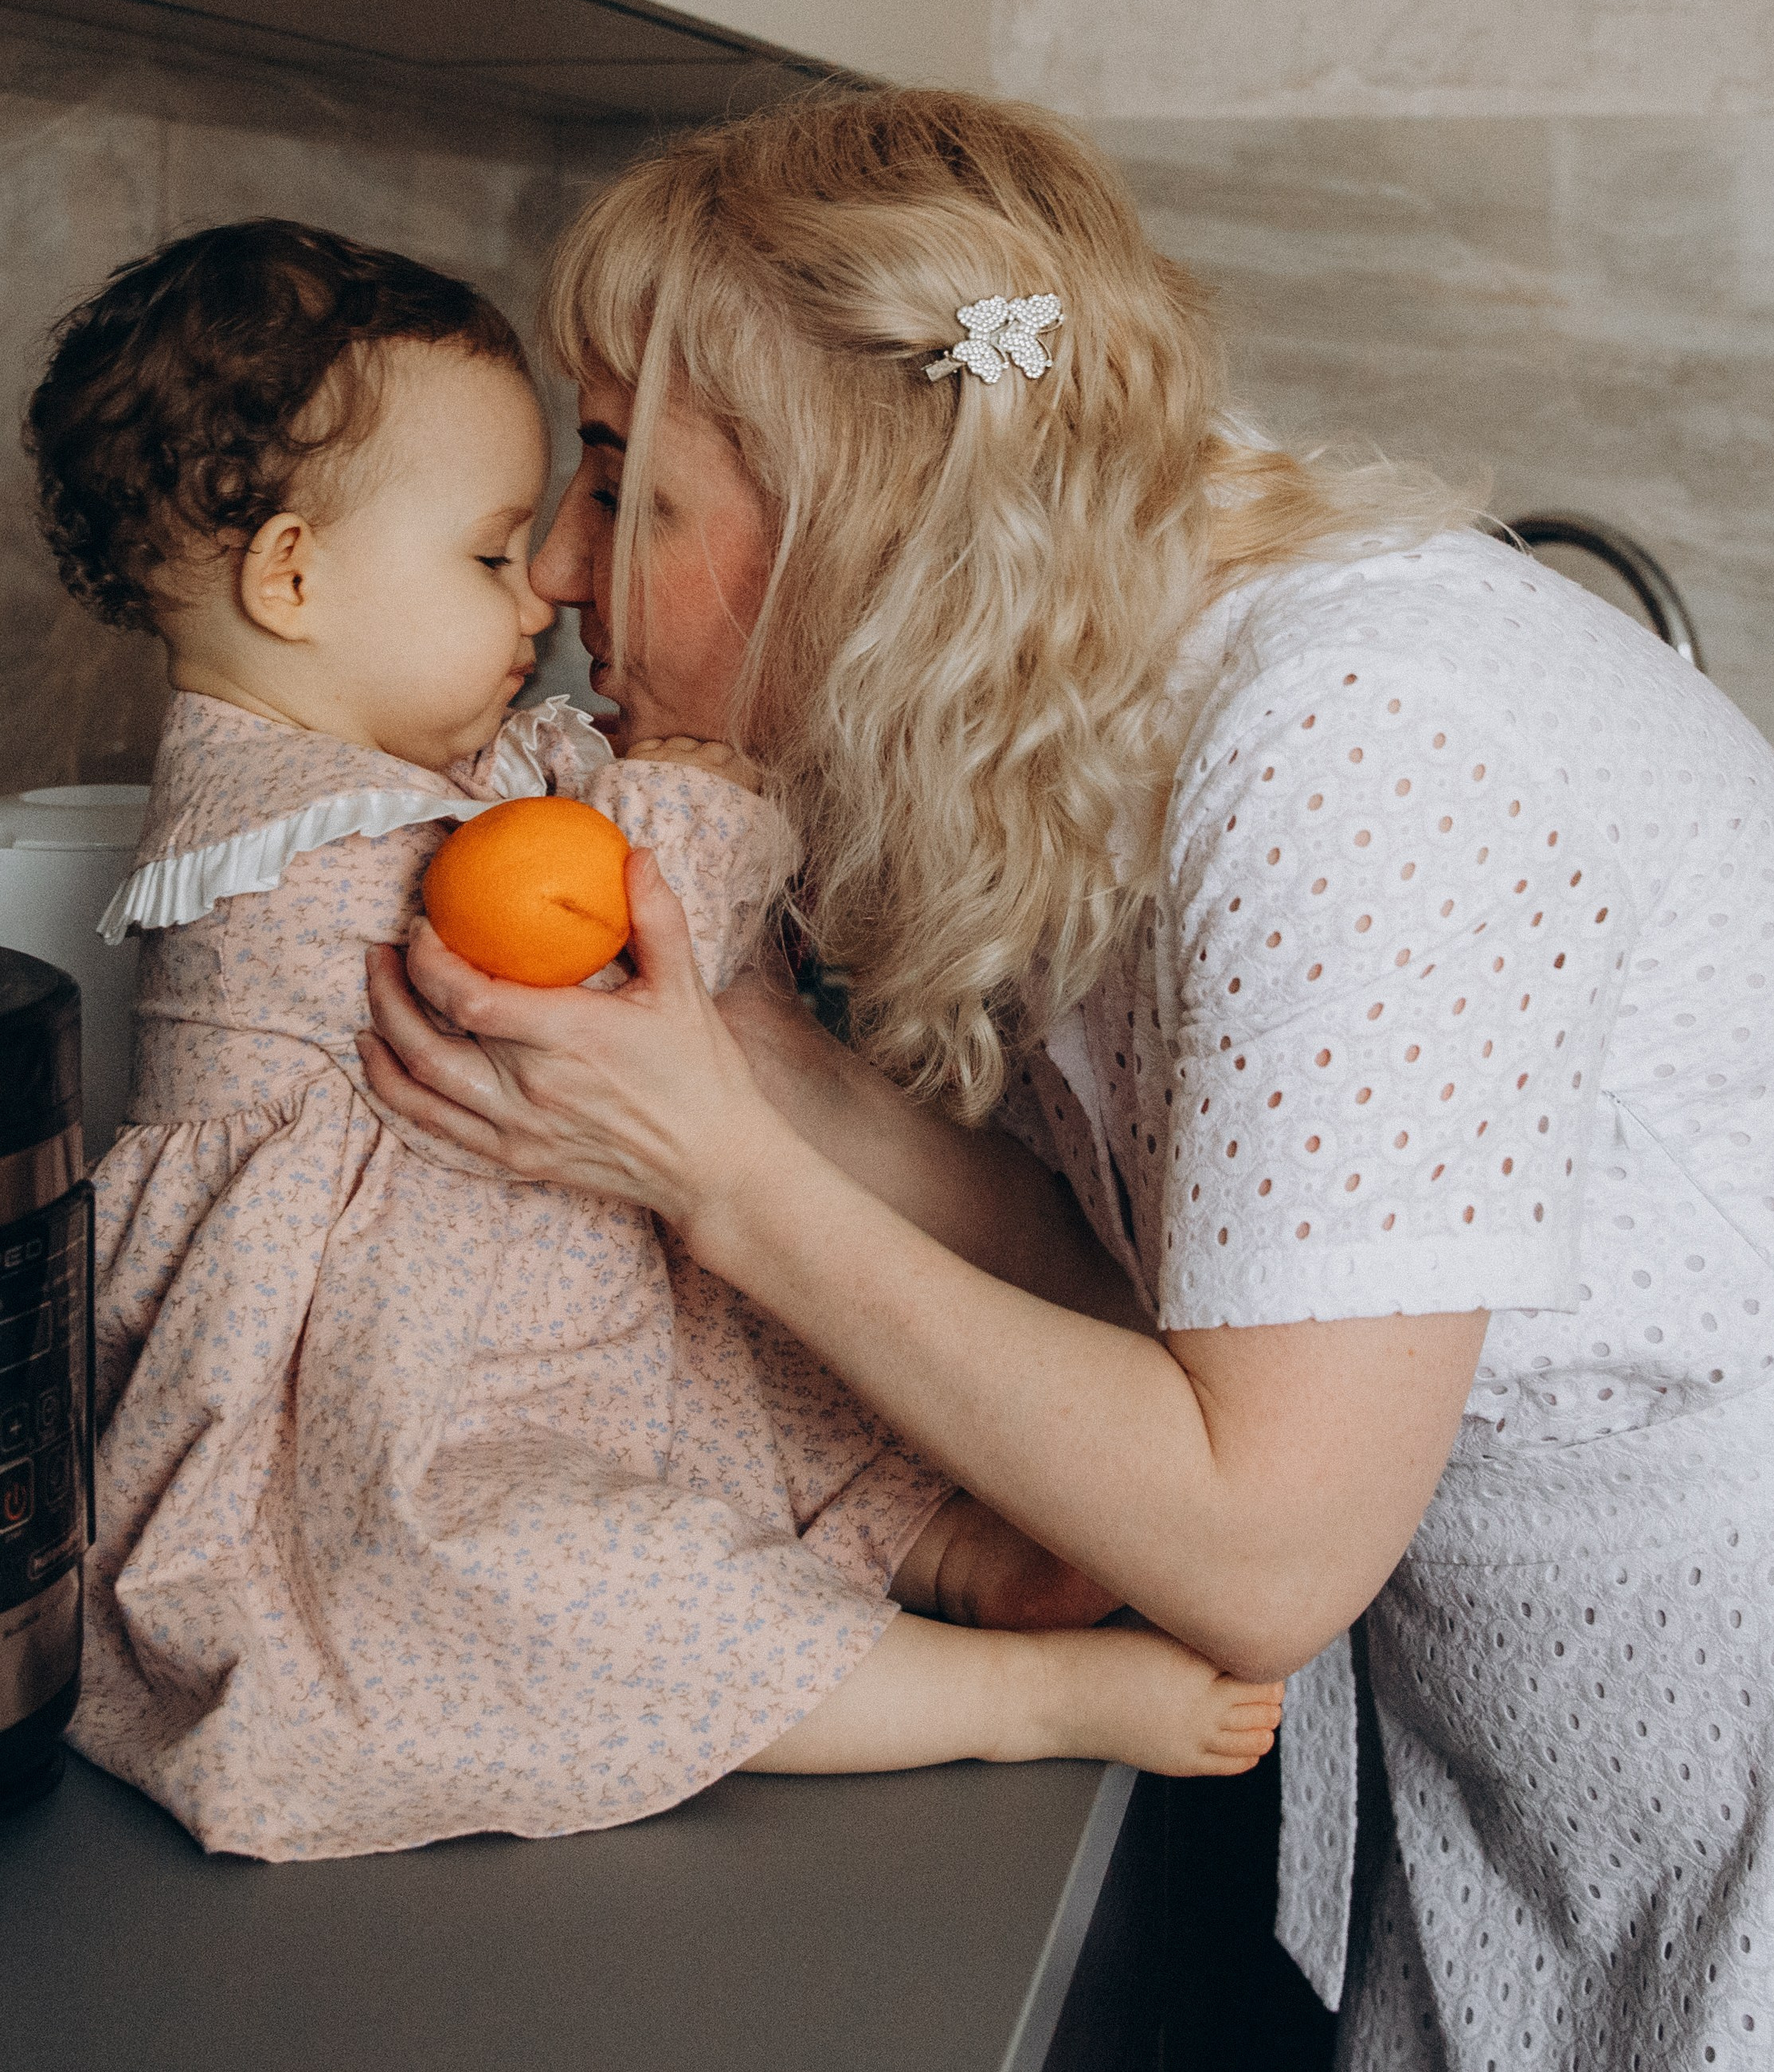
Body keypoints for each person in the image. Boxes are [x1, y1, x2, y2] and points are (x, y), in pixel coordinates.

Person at [362, 88, 1774, 2070]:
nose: (568, 570)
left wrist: (722, 1178)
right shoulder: (1089, 695)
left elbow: (1263, 1544)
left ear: (856, 487)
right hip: (1552, 1725)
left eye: (619, 475)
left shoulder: (1358, 744)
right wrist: (746, 1062)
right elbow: (1126, 1274)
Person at [23, 219, 1281, 1862]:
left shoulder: (348, 773)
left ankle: (957, 1555)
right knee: (571, 1575)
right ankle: (1010, 1694)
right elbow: (587, 907)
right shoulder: (279, 831)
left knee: (745, 1382)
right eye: (487, 557)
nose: (543, 592)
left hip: (497, 1307)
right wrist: (697, 777)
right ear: (292, 576)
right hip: (383, 1406)